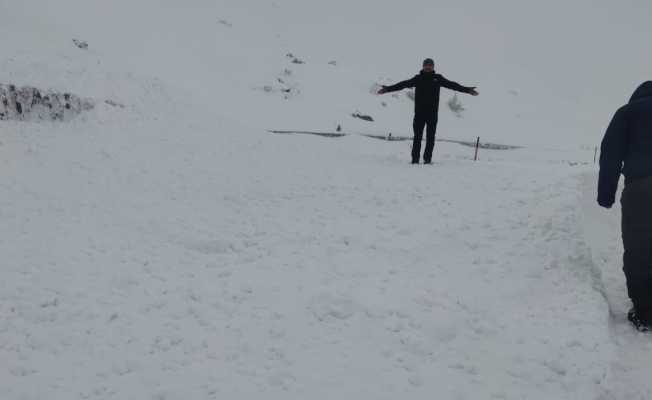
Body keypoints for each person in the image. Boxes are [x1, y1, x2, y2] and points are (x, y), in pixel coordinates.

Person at [598, 81, 652, 332]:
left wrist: (606, 194)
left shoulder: (627, 113)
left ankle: (646, 313)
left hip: (640, 189)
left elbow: (610, 153)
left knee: (639, 248)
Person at [377, 58, 479, 164]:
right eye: (426, 65)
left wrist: (467, 90)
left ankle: (427, 160)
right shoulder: (418, 79)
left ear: (433, 67)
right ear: (423, 66)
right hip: (419, 114)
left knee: (430, 138)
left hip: (432, 114)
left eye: (430, 65)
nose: (428, 67)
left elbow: (453, 85)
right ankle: (415, 160)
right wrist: (387, 89)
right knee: (417, 137)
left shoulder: (437, 78)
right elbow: (402, 84)